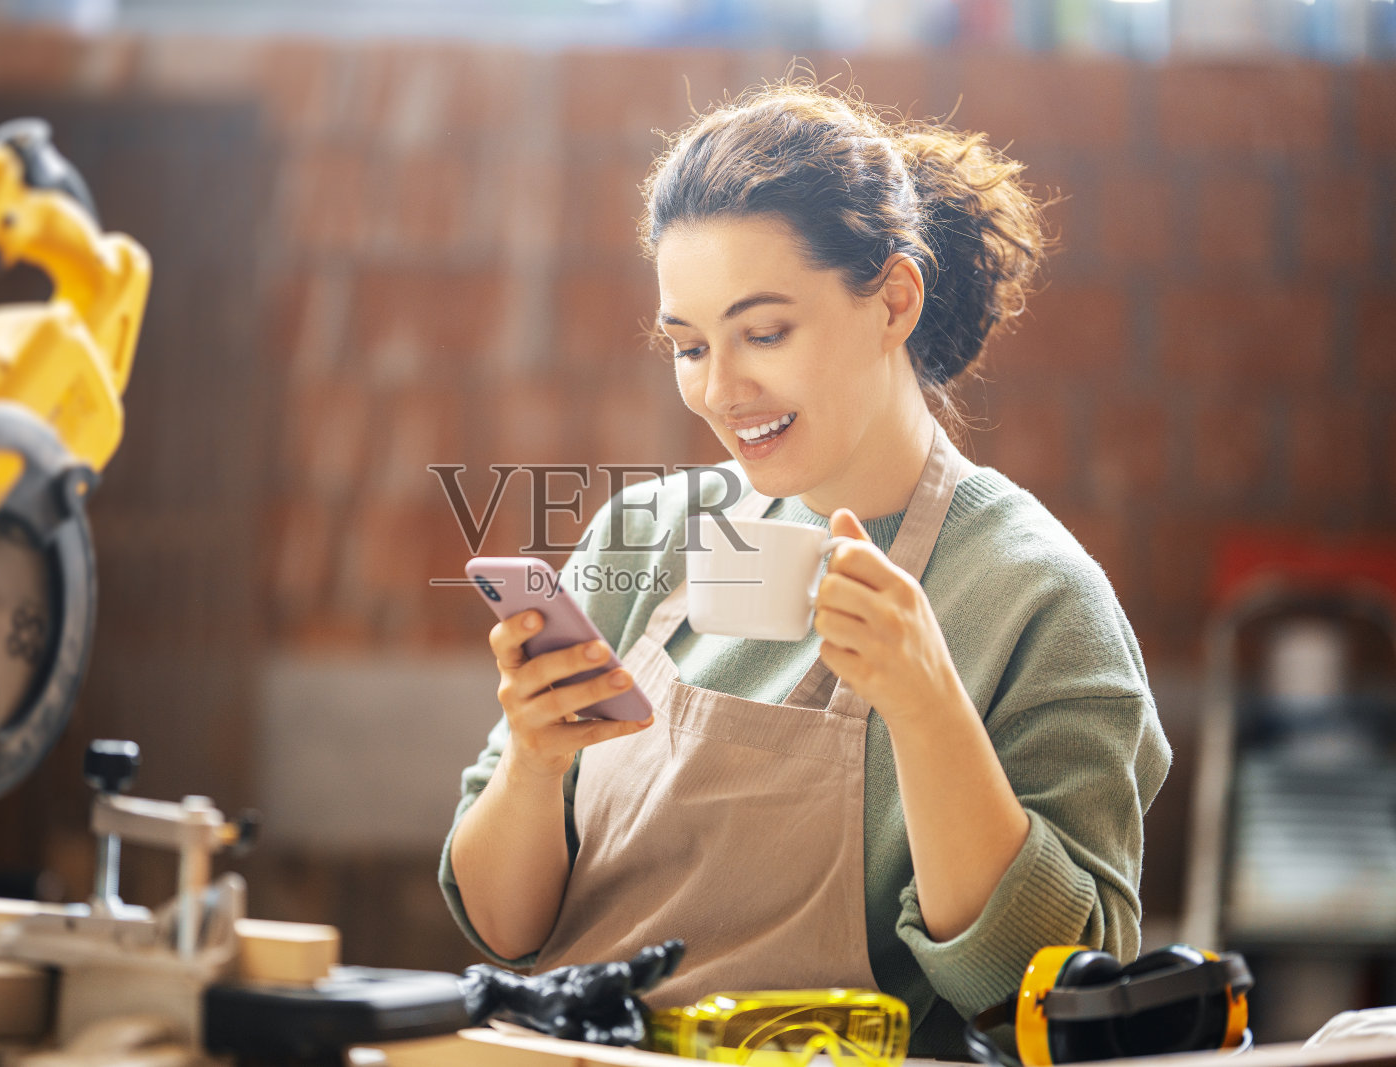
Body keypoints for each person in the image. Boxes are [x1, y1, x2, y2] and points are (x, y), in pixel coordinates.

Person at [439, 78, 1172, 1059]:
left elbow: (1047, 990)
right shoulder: (643, 538)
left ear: (894, 301)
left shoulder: (1033, 595)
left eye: (765, 332)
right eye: (688, 345)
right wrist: (533, 762)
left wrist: (925, 706)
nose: (719, 387)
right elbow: (501, 925)